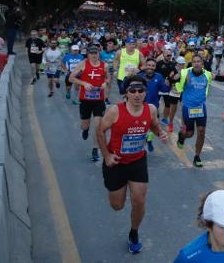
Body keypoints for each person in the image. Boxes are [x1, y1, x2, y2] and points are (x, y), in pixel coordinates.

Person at [96, 75, 167, 254]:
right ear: (126, 93)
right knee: (117, 206)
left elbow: (154, 125)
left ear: (145, 92)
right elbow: (100, 131)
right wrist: (106, 155)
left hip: (137, 161)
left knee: (139, 200)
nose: (137, 94)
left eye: (141, 90)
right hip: (116, 162)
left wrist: (161, 134)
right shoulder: (115, 111)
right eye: (132, 91)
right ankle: (117, 189)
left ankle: (134, 233)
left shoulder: (150, 109)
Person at [70, 45, 110, 162]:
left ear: (99, 54)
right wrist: (84, 84)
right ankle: (85, 130)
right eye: (91, 53)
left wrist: (105, 83)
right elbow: (71, 78)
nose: (93, 55)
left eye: (96, 53)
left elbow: (108, 78)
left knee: (98, 126)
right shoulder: (82, 64)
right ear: (88, 54)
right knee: (85, 124)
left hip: (99, 100)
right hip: (85, 100)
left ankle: (95, 149)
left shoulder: (105, 65)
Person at [176, 55, 213, 167]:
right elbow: (176, 81)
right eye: (194, 62)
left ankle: (197, 156)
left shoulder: (207, 75)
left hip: (201, 107)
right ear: (191, 63)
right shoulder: (186, 73)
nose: (196, 63)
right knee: (190, 133)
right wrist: (173, 78)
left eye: (199, 61)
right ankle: (181, 136)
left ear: (202, 63)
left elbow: (212, 83)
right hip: (188, 107)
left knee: (201, 132)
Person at [132, 58, 170, 152]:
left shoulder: (159, 76)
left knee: (153, 127)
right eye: (149, 65)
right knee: (139, 128)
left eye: (153, 66)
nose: (150, 67)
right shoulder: (139, 76)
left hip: (153, 108)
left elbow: (165, 90)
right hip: (139, 107)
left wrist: (167, 85)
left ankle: (149, 140)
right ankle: (140, 145)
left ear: (155, 67)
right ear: (145, 66)